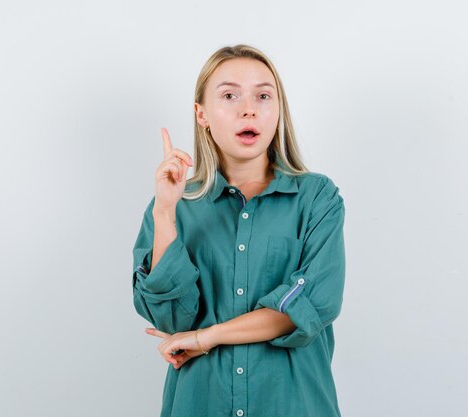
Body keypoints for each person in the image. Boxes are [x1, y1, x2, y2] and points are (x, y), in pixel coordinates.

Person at [131, 44, 346, 417]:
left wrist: (206, 337)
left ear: (278, 111)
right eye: (230, 95)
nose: (249, 108)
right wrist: (165, 211)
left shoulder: (317, 198)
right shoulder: (175, 204)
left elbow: (309, 305)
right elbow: (170, 320)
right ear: (202, 115)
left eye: (264, 96)